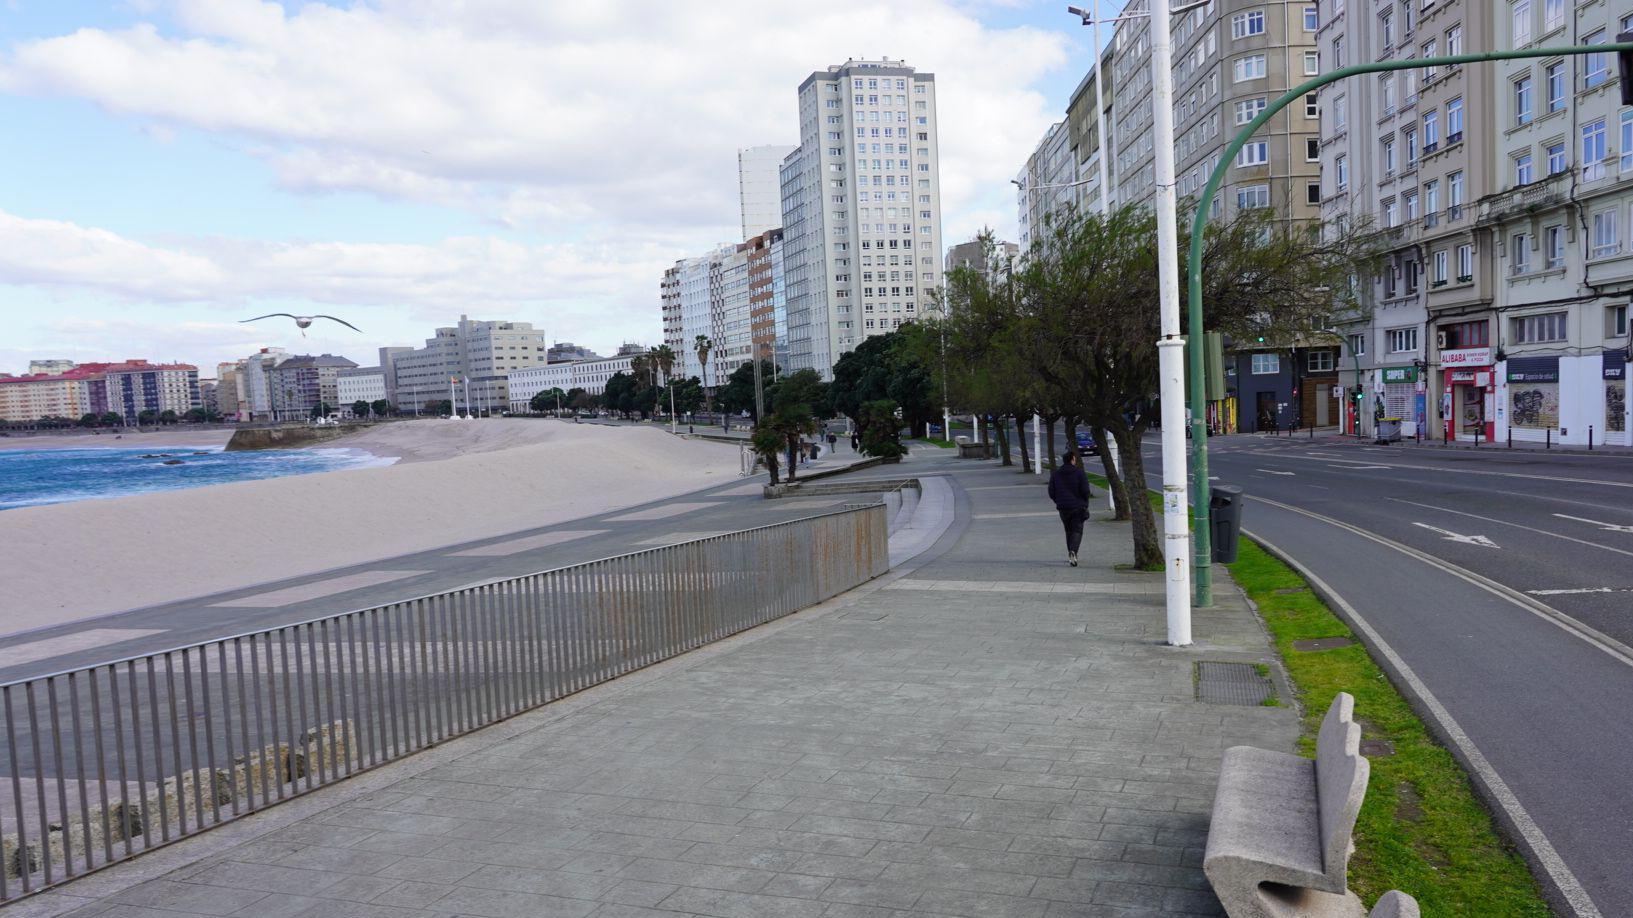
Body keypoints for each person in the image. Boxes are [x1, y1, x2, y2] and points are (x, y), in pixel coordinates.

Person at [1047, 450, 1093, 567]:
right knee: (1077, 530)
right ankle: (1074, 551)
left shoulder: (1056, 474)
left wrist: (1058, 501)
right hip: (1078, 506)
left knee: (1068, 530)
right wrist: (1084, 502)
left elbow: (1051, 491)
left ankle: (1070, 554)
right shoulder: (1079, 473)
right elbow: (1085, 490)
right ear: (1072, 459)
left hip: (1063, 507)